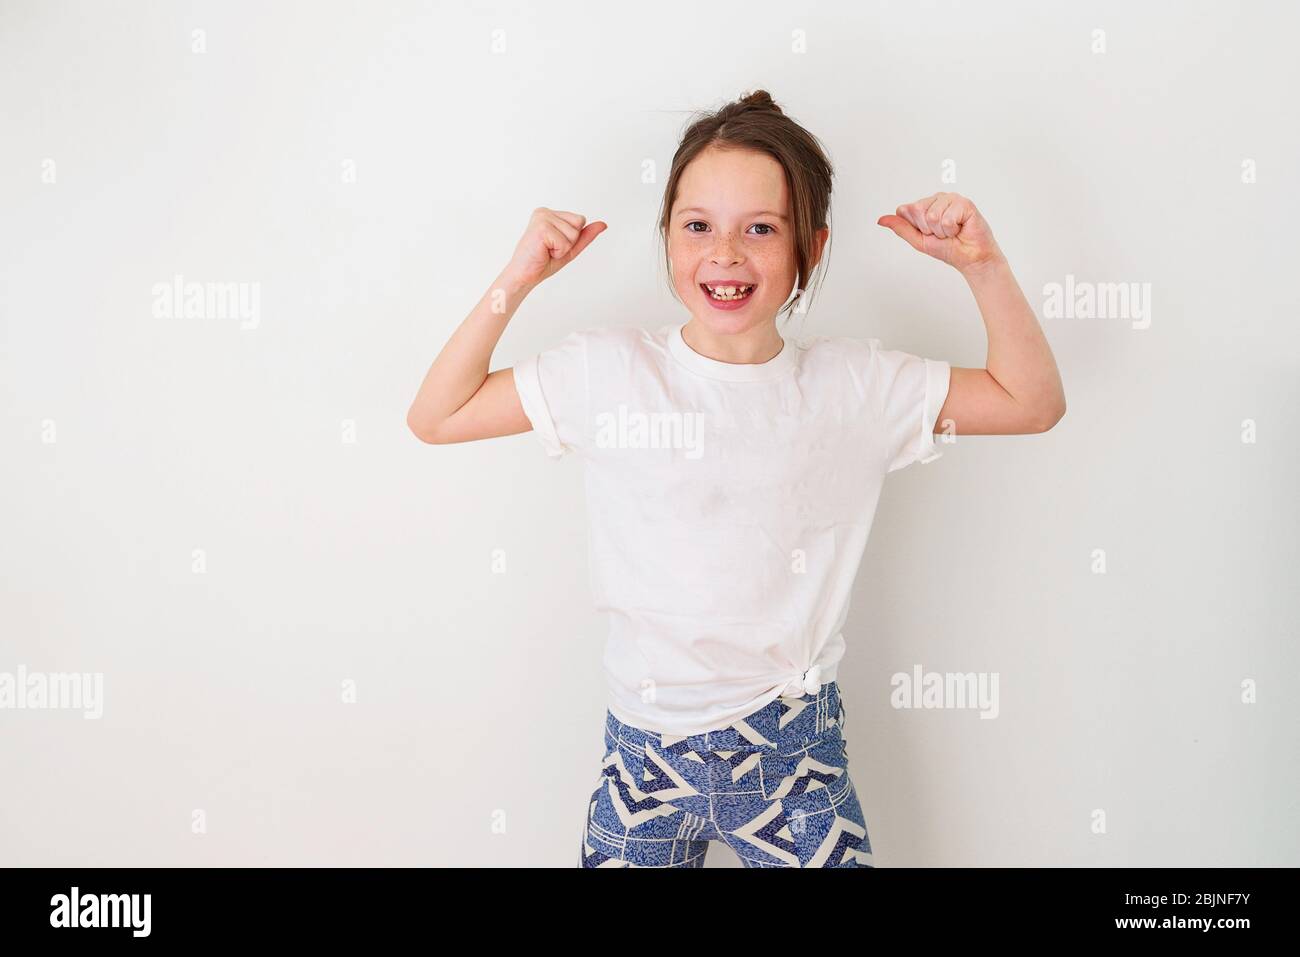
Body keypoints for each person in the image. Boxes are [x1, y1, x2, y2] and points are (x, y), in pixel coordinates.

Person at [406, 89, 1066, 868]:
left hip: (793, 762)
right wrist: (516, 278)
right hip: (642, 760)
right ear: (668, 240)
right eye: (698, 227)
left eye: (760, 228)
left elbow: (1033, 402)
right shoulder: (607, 371)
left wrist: (982, 267)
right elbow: (436, 416)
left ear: (809, 250)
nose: (725, 253)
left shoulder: (856, 387)